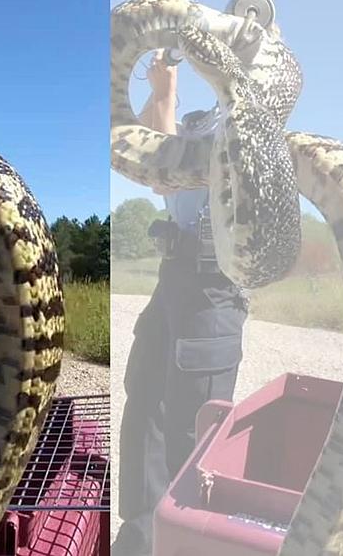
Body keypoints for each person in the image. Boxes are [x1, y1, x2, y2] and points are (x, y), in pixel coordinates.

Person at [112, 50, 248, 555]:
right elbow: (149, 164)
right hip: (173, 277)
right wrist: (160, 92)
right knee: (145, 405)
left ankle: (188, 542)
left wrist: (166, 100)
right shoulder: (197, 123)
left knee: (191, 427)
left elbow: (171, 169)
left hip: (214, 287)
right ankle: (140, 538)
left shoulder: (250, 119)